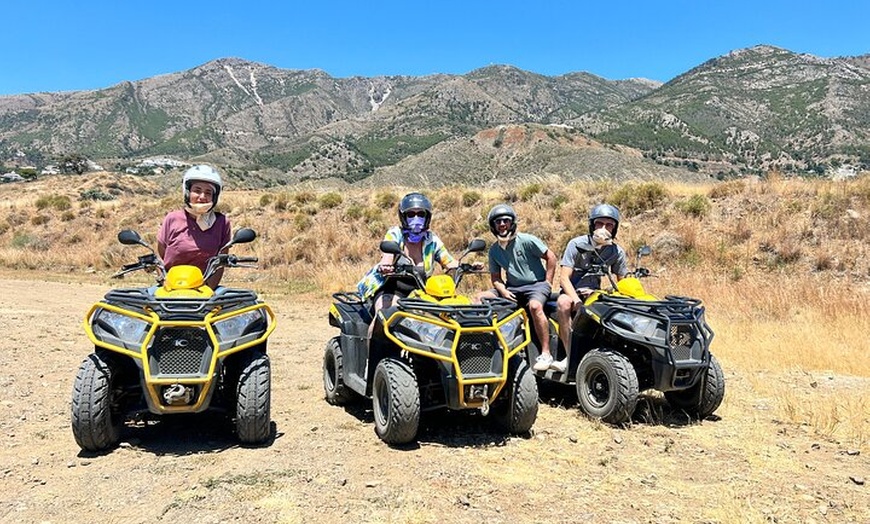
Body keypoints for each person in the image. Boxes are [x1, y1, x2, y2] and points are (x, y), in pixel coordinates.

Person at [357, 192, 458, 334]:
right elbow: (387, 254)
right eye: (411, 214)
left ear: (427, 216)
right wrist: (386, 266)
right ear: (403, 216)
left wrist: (464, 267)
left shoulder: (431, 239)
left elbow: (449, 261)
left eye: (420, 214)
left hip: (421, 292)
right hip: (392, 288)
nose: (416, 218)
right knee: (384, 317)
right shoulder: (395, 234)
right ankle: (371, 355)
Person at [476, 204, 558, 371]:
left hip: (536, 285)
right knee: (479, 298)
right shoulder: (494, 251)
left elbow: (551, 257)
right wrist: (503, 291)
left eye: (506, 220)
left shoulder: (527, 240)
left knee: (535, 306)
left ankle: (546, 353)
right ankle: (486, 348)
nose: (502, 224)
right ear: (493, 226)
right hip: (512, 288)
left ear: (512, 223)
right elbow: (496, 279)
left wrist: (547, 282)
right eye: (498, 222)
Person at [554, 203, 629, 371]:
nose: (604, 228)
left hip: (595, 293)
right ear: (592, 225)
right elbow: (564, 279)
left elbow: (622, 283)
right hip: (572, 292)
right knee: (563, 304)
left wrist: (607, 293)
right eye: (599, 224)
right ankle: (570, 357)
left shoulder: (616, 252)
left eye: (609, 225)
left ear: (615, 228)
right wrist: (576, 300)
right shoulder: (576, 244)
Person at [157, 165, 231, 289]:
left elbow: (221, 262)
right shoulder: (172, 218)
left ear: (215, 196)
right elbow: (161, 254)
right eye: (197, 190)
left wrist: (209, 290)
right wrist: (165, 283)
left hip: (205, 285)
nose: (202, 197)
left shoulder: (222, 222)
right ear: (187, 192)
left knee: (244, 304)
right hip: (171, 285)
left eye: (208, 192)